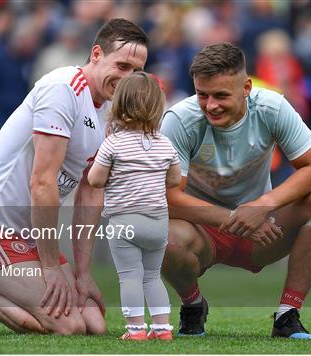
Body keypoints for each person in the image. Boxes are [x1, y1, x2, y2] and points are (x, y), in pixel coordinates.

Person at [0, 18, 148, 335]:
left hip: (29, 236)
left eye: (137, 71)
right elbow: (41, 182)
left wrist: (82, 272)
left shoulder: (110, 109)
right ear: (96, 54)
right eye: (122, 65)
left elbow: (91, 192)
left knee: (94, 324)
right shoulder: (62, 89)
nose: (127, 78)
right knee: (67, 326)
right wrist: (51, 267)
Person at [160, 42, 311, 339]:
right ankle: (193, 305)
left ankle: (287, 316)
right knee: (161, 237)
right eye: (202, 94)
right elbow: (168, 198)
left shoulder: (272, 106)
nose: (210, 105)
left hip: (261, 230)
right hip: (201, 230)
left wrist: (263, 204)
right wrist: (235, 217)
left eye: (221, 95)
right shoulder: (179, 119)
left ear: (246, 87)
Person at [88, 72, 181, 341]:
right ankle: (162, 329)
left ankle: (136, 329)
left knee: (129, 276)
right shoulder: (165, 143)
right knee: (152, 276)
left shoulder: (113, 143)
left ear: (118, 106)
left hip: (124, 221)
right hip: (158, 222)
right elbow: (174, 179)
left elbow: (95, 179)